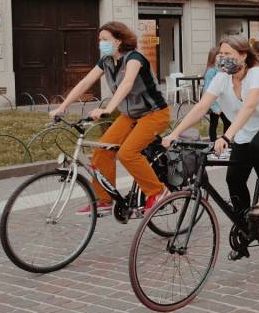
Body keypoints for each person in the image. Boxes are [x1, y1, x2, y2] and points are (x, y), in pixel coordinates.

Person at [163, 36, 259, 259]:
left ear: (243, 55)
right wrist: (174, 133)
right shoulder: (222, 78)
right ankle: (246, 227)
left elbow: (249, 107)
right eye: (221, 54)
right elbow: (201, 107)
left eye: (228, 54)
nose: (222, 58)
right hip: (248, 128)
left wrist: (227, 136)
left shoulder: (256, 73)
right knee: (234, 178)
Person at [49, 22, 169, 215]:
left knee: (127, 153)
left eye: (105, 40)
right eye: (100, 40)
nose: (101, 44)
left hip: (154, 114)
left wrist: (108, 109)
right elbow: (86, 82)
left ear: (119, 40)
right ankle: (104, 200)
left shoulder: (135, 58)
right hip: (129, 115)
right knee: (102, 151)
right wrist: (62, 107)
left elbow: (127, 83)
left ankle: (158, 192)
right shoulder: (106, 61)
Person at [203, 46, 231, 141]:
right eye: (219, 54)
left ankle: (225, 142)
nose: (222, 56)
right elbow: (208, 90)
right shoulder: (211, 71)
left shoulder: (222, 69)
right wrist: (214, 107)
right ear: (214, 56)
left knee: (227, 122)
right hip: (214, 104)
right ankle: (213, 143)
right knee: (214, 123)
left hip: (223, 103)